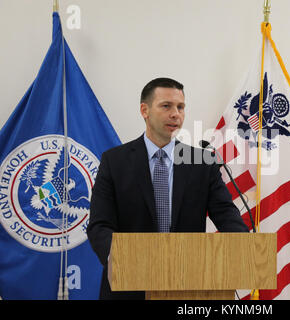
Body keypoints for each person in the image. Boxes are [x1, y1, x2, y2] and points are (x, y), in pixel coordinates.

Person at [87, 77, 249, 300]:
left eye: (180, 107)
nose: (176, 114)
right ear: (145, 110)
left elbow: (227, 215)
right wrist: (121, 259)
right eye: (166, 106)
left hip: (190, 287)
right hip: (129, 287)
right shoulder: (115, 162)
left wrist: (241, 246)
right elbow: (99, 225)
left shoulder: (201, 161)